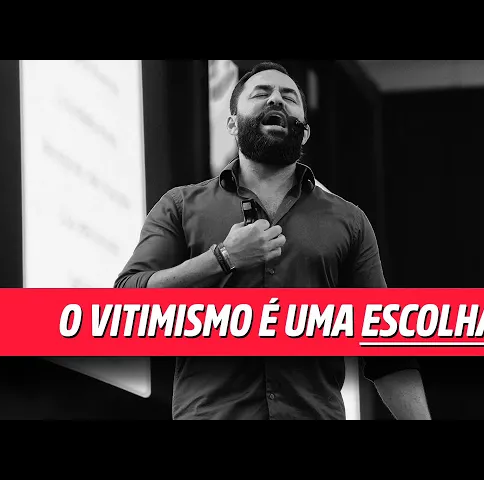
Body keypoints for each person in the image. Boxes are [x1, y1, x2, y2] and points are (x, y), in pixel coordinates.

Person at [115, 61, 432, 420]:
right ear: (233, 124)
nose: (276, 100)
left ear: (305, 132)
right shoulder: (181, 206)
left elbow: (385, 347)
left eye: (289, 97)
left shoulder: (349, 221)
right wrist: (222, 258)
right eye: (261, 93)